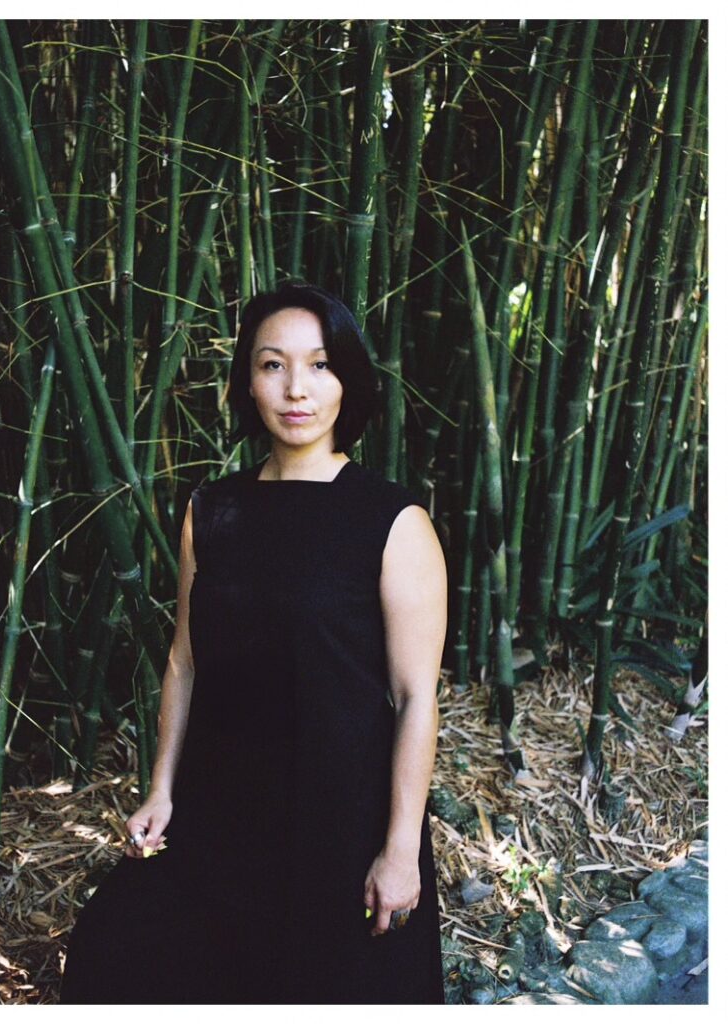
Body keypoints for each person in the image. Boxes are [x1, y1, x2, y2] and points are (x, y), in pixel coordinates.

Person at [60, 282, 448, 1004]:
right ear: (247, 381)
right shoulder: (212, 510)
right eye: (272, 365)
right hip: (222, 809)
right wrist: (162, 790)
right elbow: (184, 660)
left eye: (319, 364)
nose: (295, 388)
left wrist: (399, 850)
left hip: (338, 819)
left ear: (347, 380)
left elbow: (414, 695)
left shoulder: (393, 521)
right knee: (115, 950)